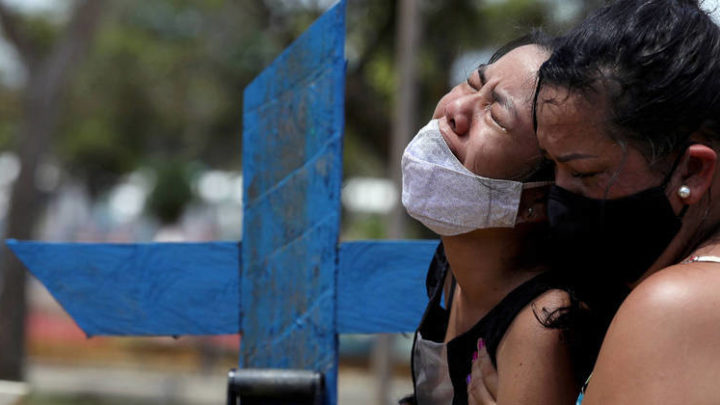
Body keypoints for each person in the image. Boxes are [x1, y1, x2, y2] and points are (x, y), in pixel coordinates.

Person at [471, 0, 720, 403]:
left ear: (692, 170)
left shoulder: (672, 306)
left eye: (586, 174)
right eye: (550, 167)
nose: (559, 199)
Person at [401, 32, 607, 405]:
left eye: (496, 115)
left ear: (539, 197)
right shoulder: (452, 264)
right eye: (473, 82)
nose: (457, 109)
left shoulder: (542, 324)